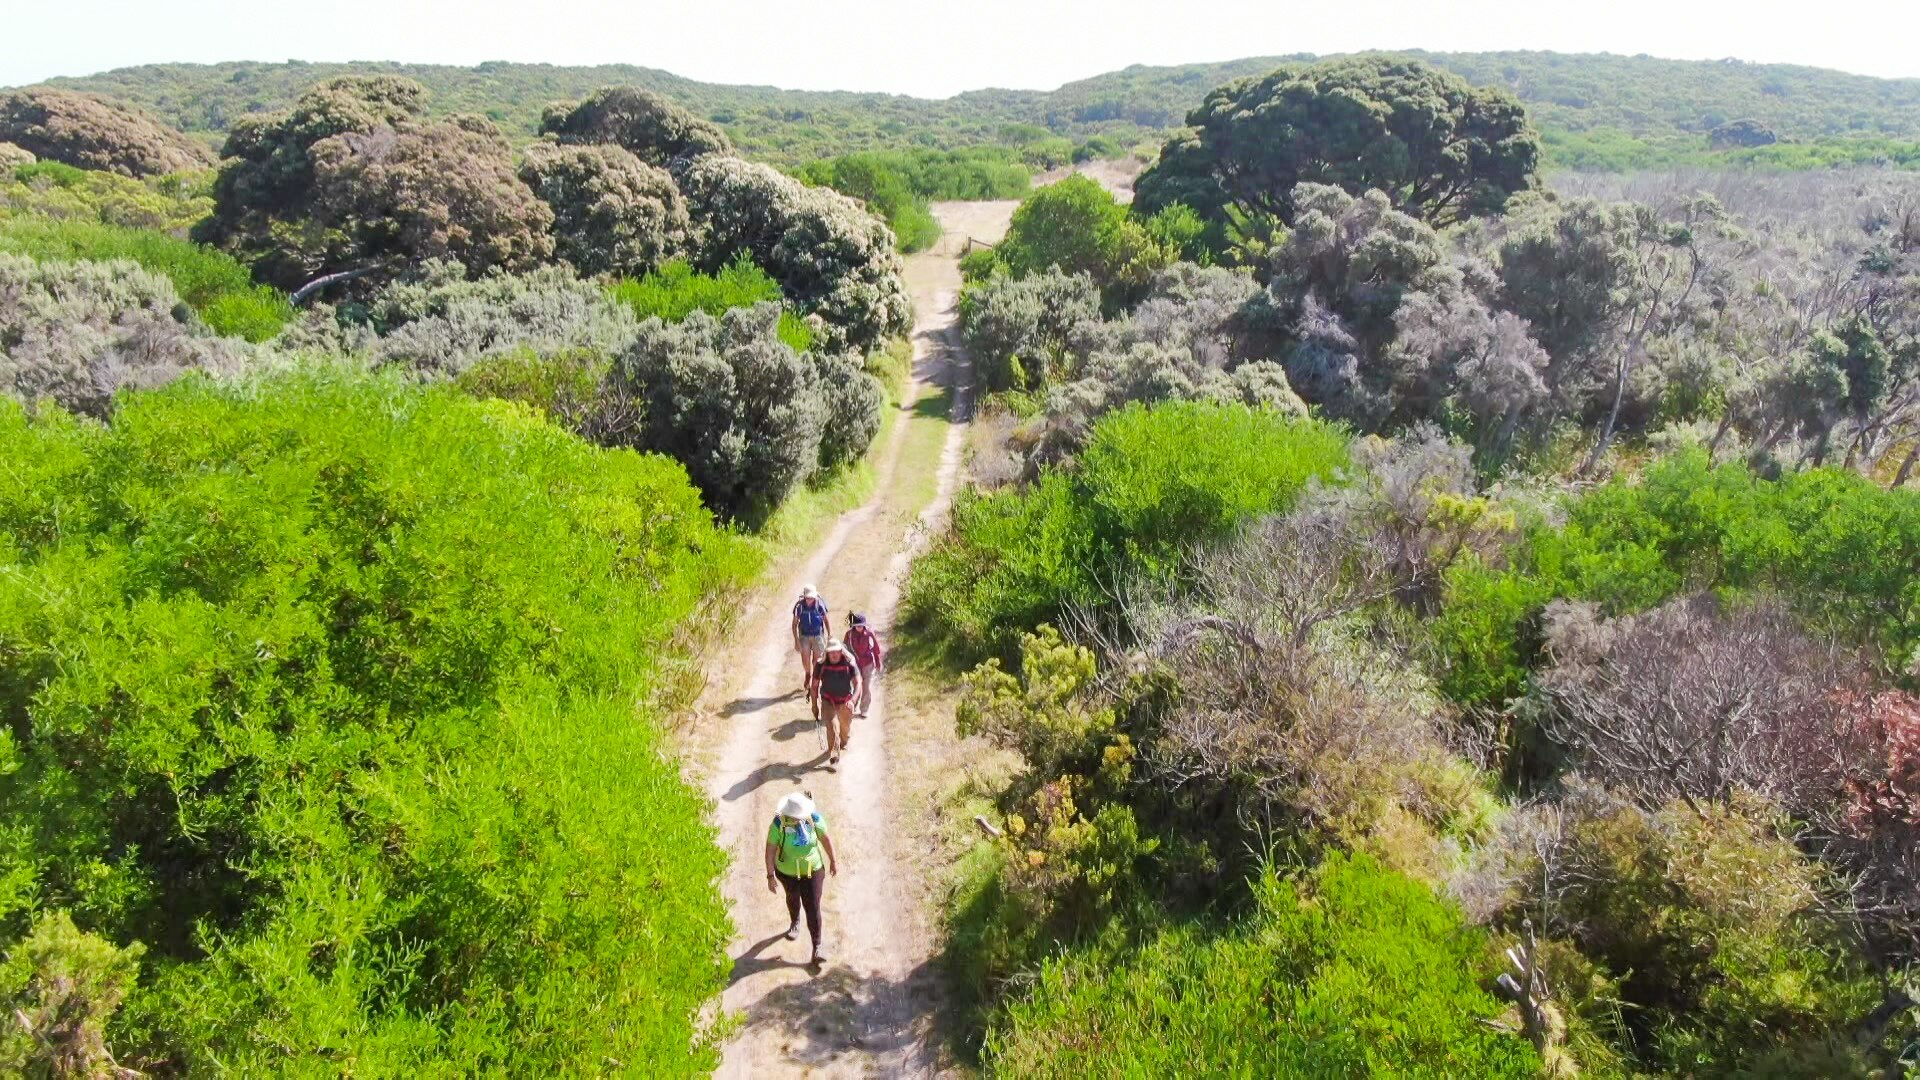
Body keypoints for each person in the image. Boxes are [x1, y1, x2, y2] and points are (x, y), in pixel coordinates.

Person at [765, 791, 837, 965]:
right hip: (787, 872)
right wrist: (770, 875)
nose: (799, 818)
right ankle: (795, 922)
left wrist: (833, 861)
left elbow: (825, 840)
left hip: (813, 871)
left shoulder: (815, 819)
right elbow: (770, 849)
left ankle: (817, 947)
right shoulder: (778, 824)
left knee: (812, 906)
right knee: (792, 897)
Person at [810, 639, 862, 765]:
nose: (834, 654)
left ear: (841, 652)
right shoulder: (820, 665)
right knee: (832, 729)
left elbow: (858, 683)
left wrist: (853, 701)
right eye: (831, 652)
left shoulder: (850, 663)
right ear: (827, 653)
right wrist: (814, 705)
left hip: (845, 702)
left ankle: (843, 741)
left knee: (845, 730)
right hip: (828, 701)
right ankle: (834, 758)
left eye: (837, 651)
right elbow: (815, 686)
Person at [791, 585, 831, 694]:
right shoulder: (799, 607)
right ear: (804, 597)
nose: (810, 600)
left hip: (818, 635)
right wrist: (796, 640)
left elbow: (826, 620)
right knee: (805, 658)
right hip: (804, 635)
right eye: (808, 598)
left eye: (811, 598)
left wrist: (829, 634)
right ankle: (808, 674)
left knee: (817, 661)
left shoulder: (820, 605)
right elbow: (794, 624)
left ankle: (814, 678)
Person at [844, 613, 886, 718]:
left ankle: (864, 709)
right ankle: (853, 705)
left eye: (861, 625)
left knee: (866, 686)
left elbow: (876, 649)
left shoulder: (869, 634)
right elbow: (844, 649)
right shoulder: (849, 634)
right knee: (856, 685)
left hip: (868, 663)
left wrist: (877, 661)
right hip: (855, 664)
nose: (859, 627)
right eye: (857, 625)